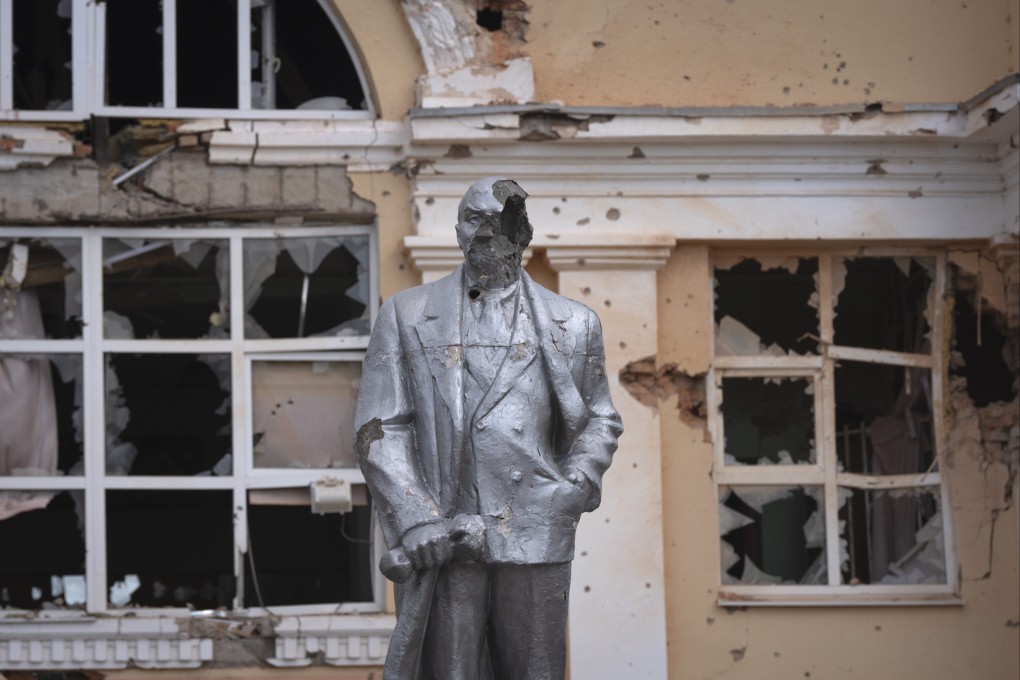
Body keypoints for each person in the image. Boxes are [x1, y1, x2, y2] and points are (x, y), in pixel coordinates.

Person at [354, 177, 622, 680]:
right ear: (457, 228)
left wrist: (575, 486)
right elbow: (380, 426)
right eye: (473, 219)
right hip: (447, 533)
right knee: (448, 671)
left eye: (499, 222)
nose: (484, 232)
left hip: (538, 528)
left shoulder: (575, 323)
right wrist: (416, 519)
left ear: (523, 233)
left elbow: (599, 417)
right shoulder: (406, 315)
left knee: (534, 669)